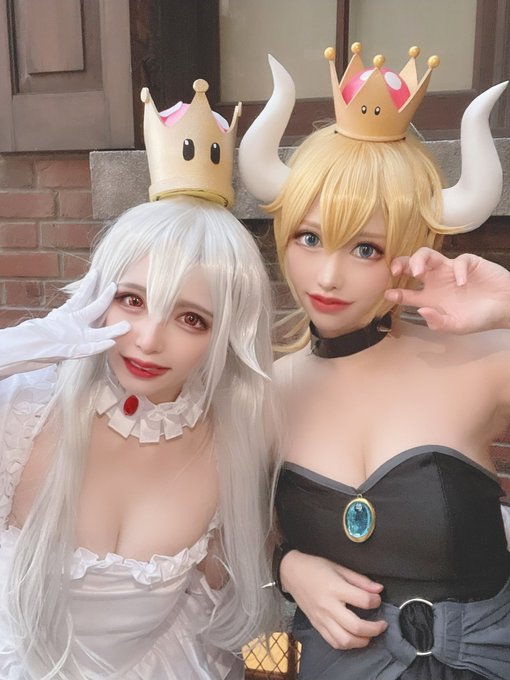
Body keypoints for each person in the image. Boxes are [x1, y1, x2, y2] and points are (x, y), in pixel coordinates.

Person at [239, 43, 510, 679]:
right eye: (309, 238)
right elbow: (218, 534)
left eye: (366, 248)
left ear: (409, 249)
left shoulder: (481, 363)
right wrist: (285, 566)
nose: (327, 276)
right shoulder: (263, 391)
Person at [0, 79, 276, 679]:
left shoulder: (232, 444)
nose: (149, 340)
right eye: (132, 300)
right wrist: (15, 349)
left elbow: (249, 613)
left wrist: (279, 671)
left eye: (190, 318)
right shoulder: (23, 410)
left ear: (225, 336)